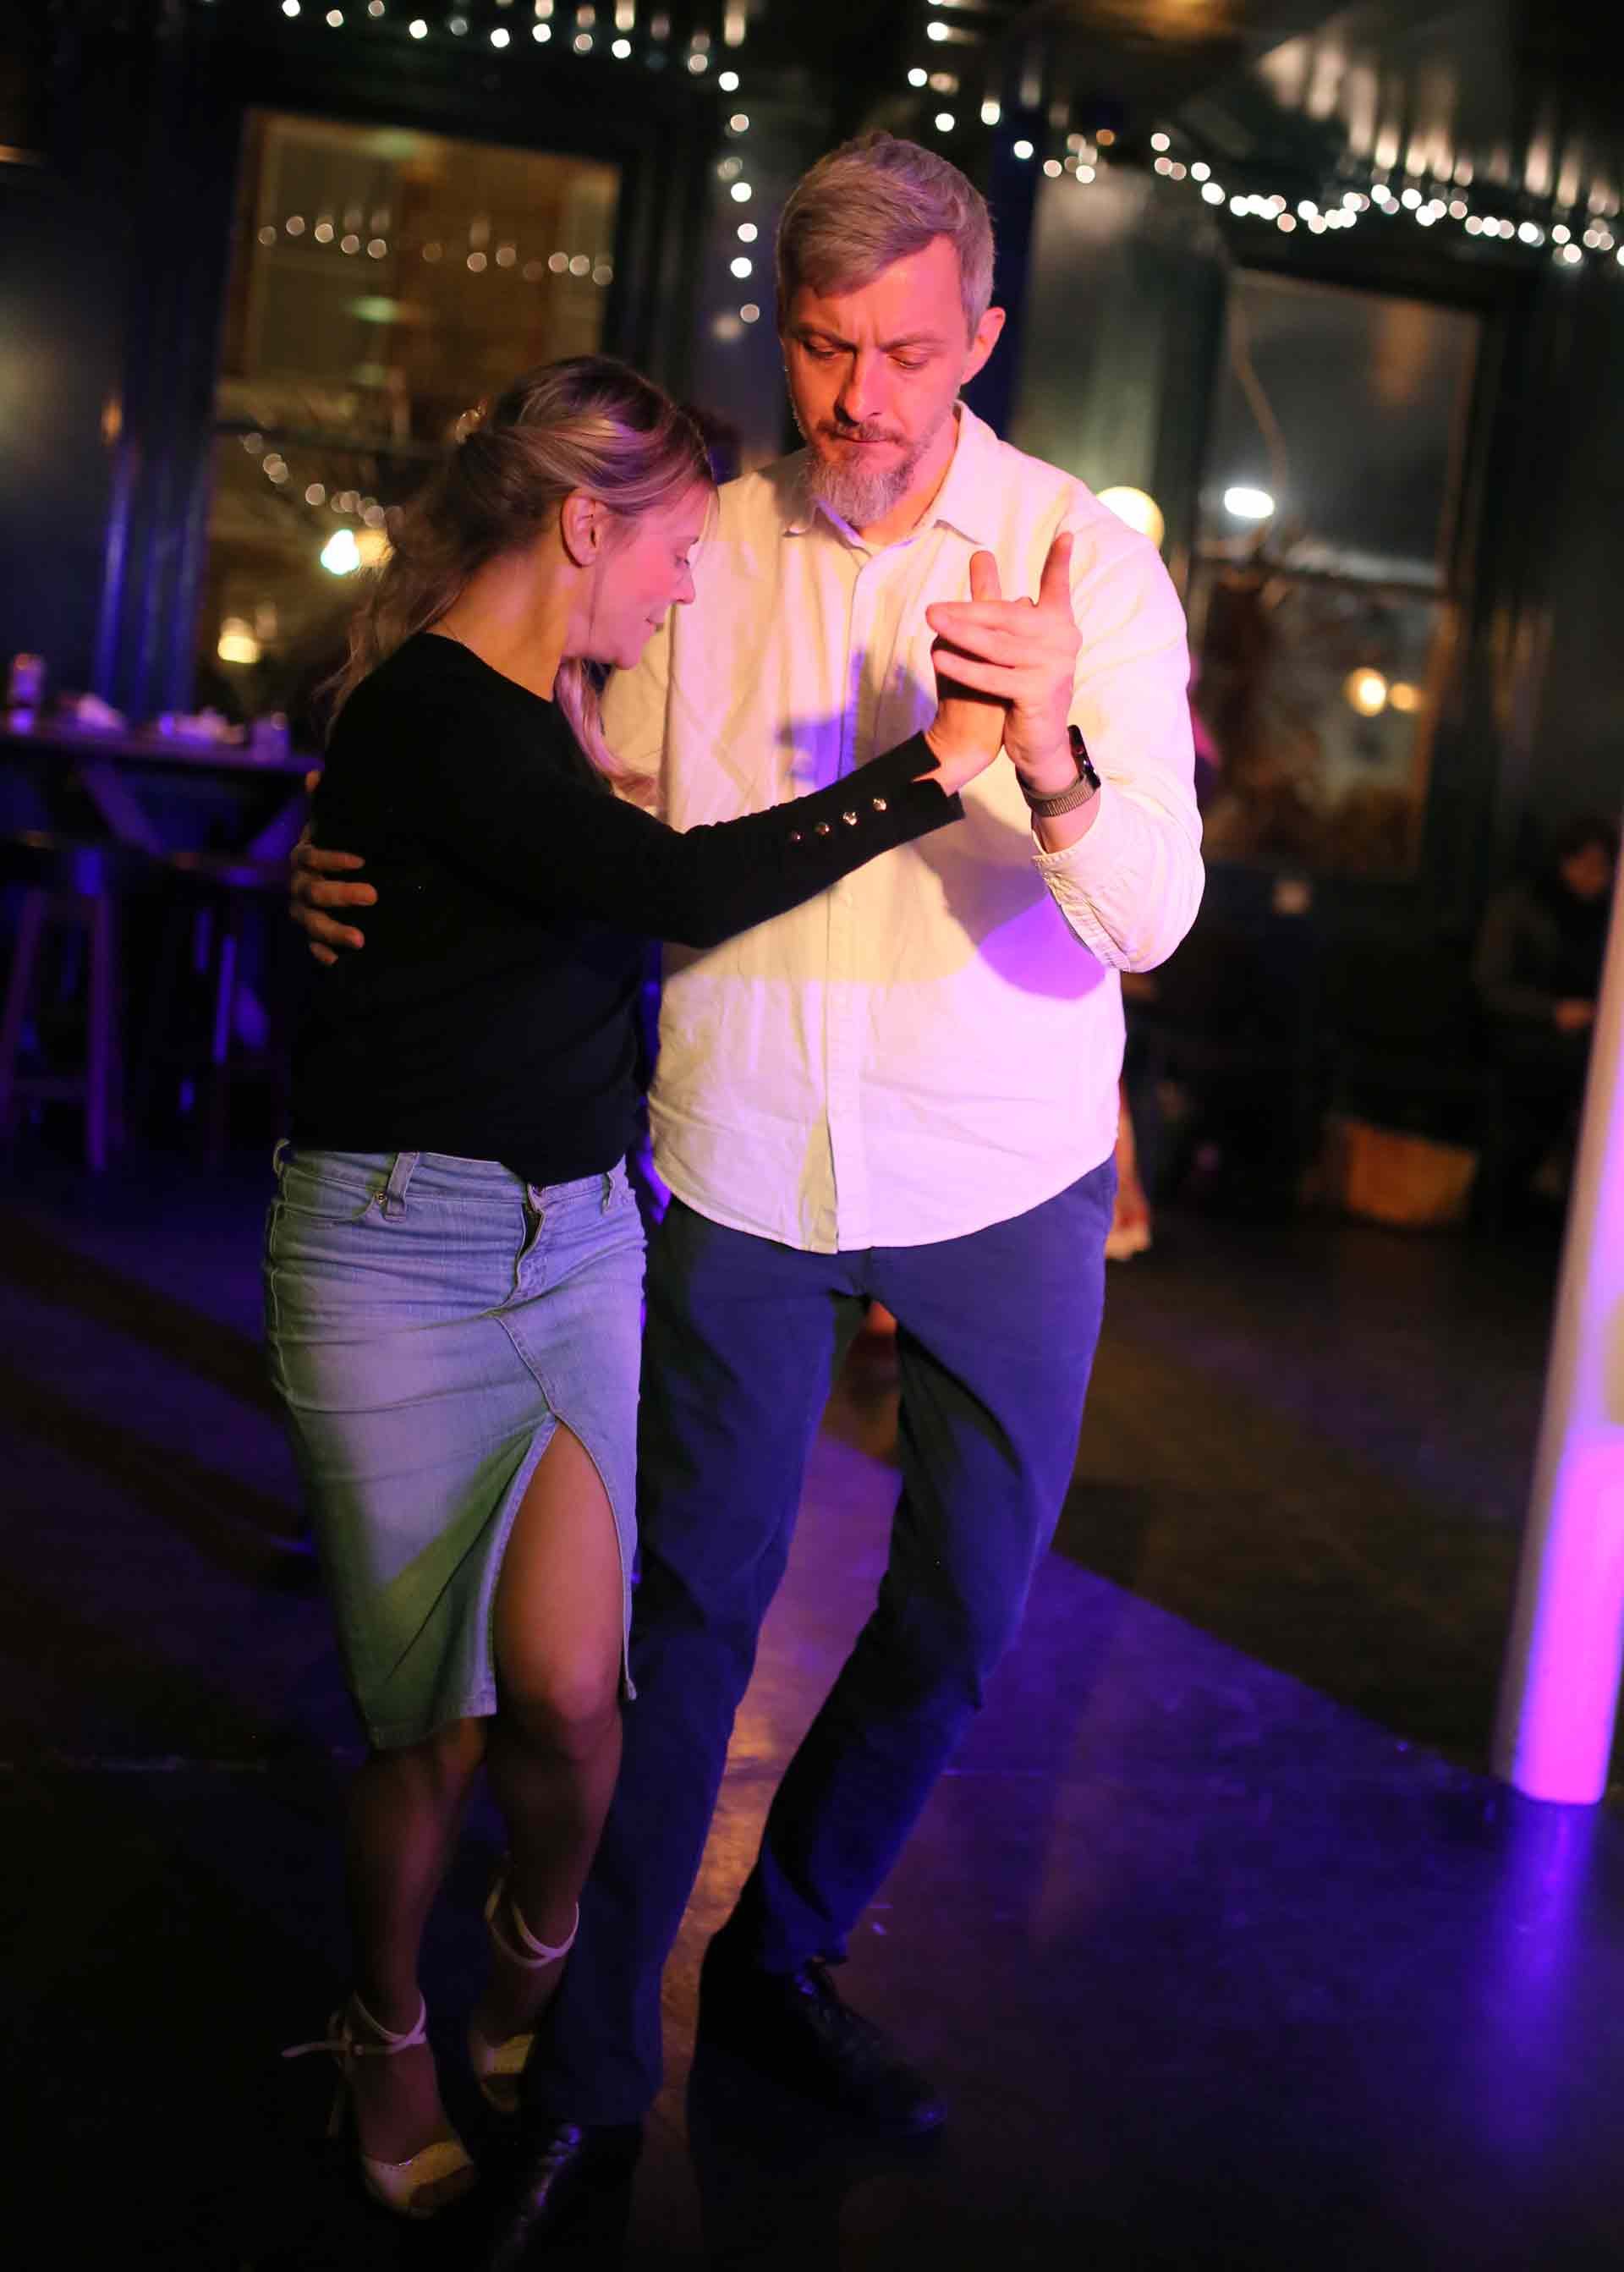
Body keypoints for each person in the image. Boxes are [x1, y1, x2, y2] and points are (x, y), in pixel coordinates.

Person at [292, 133, 1204, 2247]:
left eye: (903, 350)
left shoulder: (1088, 562)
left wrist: (1052, 755)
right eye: (819, 345)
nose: (859, 398)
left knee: (962, 1613)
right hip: (733, 1156)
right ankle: (592, 2066)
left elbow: (1145, 914)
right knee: (676, 1634)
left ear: (980, 336)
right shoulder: (710, 540)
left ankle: (777, 1949)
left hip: (1003, 1170)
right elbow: (537, 768)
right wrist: (353, 859)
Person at [268, 352, 1014, 2222]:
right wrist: (936, 770)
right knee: (426, 1724)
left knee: (575, 1703)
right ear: (587, 523)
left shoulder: (545, 705)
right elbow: (670, 897)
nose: (688, 581)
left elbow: (504, 915)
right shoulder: (447, 712)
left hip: (583, 1240)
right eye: (674, 543)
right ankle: (385, 2020)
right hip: (402, 1254)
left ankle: (531, 1940)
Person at [1473, 813, 1618, 1198]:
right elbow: (1491, 986)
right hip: (1524, 1030)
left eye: (1602, 869)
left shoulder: (1610, 916)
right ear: (1562, 861)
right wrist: (1554, 1011)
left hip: (1590, 1032)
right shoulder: (1520, 907)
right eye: (1584, 866)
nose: (1593, 879)